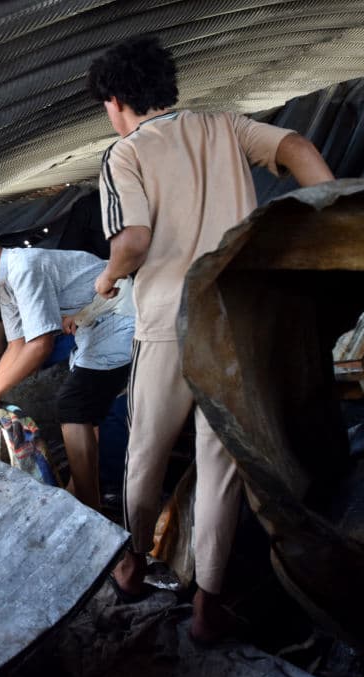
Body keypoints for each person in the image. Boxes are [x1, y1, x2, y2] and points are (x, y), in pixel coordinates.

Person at [87, 35, 335, 643]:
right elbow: (298, 147)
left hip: (171, 320)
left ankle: (130, 566)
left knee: (145, 449)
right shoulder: (223, 126)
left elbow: (135, 239)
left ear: (114, 101)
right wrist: (330, 211)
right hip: (237, 317)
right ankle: (208, 604)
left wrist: (109, 275)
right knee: (220, 461)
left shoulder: (124, 153)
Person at [0, 214, 135, 510]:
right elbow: (16, 345)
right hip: (90, 327)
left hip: (118, 313)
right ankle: (80, 491)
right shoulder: (4, 286)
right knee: (86, 412)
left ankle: (88, 509)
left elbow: (40, 345)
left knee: (73, 406)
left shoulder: (24, 267)